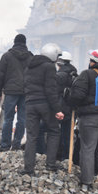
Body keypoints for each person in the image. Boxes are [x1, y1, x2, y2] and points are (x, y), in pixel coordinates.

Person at [69, 49, 98, 192]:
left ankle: (86, 182)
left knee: (88, 148)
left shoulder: (87, 74)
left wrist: (69, 100)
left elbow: (77, 96)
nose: (89, 62)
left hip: (90, 118)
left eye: (91, 60)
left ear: (95, 62)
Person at [21, 43, 64, 175]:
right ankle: (50, 164)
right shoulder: (49, 66)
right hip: (44, 104)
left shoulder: (29, 66)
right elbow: (51, 89)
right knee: (54, 131)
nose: (57, 59)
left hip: (30, 103)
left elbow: (25, 85)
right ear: (53, 55)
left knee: (31, 136)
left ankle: (28, 169)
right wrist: (57, 109)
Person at [0, 34, 33, 151]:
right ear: (25, 43)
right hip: (26, 92)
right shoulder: (31, 57)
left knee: (8, 118)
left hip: (11, 91)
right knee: (22, 119)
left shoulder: (7, 56)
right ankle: (16, 145)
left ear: (14, 42)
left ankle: (5, 145)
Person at [56, 51, 78, 160]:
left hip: (59, 110)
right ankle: (66, 158)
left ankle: (52, 156)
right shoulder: (75, 74)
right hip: (70, 109)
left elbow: (54, 93)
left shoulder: (59, 75)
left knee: (51, 131)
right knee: (67, 135)